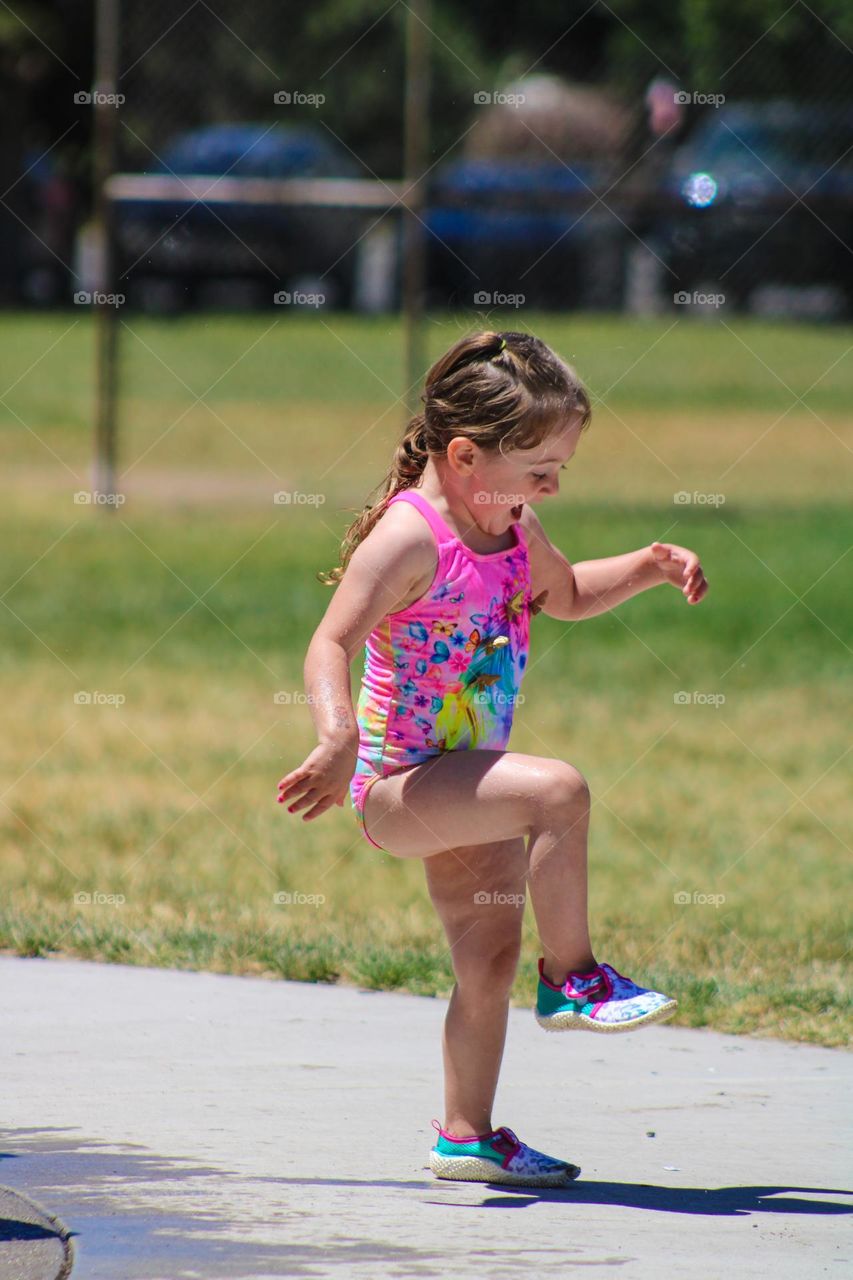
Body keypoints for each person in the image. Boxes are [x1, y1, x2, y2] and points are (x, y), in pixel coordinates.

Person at [277, 329, 709, 1188]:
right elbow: (331, 642)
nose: (548, 487)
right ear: (466, 455)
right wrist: (335, 737)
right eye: (537, 469)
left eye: (559, 469)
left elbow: (569, 593)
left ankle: (466, 1136)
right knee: (558, 791)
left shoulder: (511, 524)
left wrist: (649, 566)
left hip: (469, 786)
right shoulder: (411, 539)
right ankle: (576, 978)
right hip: (400, 787)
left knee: (486, 961)